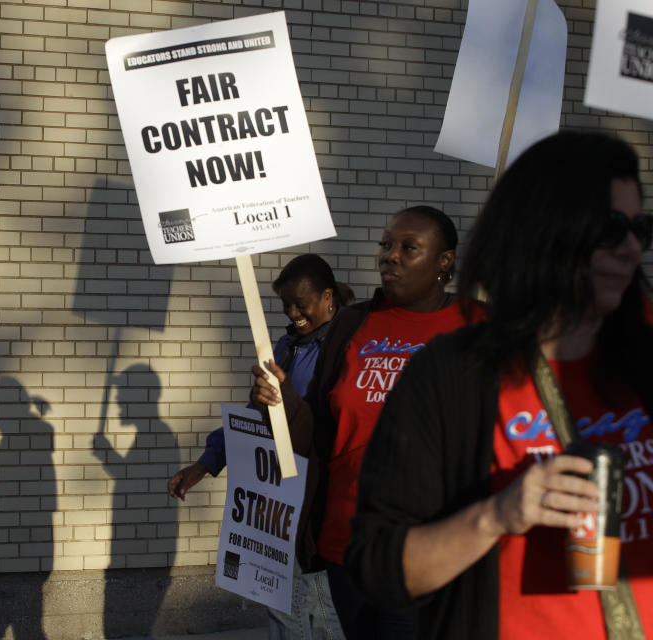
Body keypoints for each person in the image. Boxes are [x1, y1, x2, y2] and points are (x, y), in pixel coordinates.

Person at [345, 131, 653, 639]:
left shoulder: (642, 362)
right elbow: (380, 567)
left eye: (642, 229)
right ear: (543, 228)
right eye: (612, 228)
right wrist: (498, 514)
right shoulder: (452, 376)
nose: (631, 248)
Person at [254, 205, 476, 640]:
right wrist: (281, 405)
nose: (389, 255)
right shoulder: (353, 325)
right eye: (386, 245)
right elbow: (318, 433)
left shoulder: (477, 325)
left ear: (444, 261)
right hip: (348, 546)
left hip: (435, 548)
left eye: (408, 248)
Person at [168, 253, 349, 640]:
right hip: (277, 505)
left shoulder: (345, 348)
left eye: (302, 303)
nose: (294, 312)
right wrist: (207, 461)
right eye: (286, 305)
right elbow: (255, 419)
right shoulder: (285, 346)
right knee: (284, 611)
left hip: (318, 506)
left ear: (328, 297)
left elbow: (332, 426)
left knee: (319, 616)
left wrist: (284, 399)